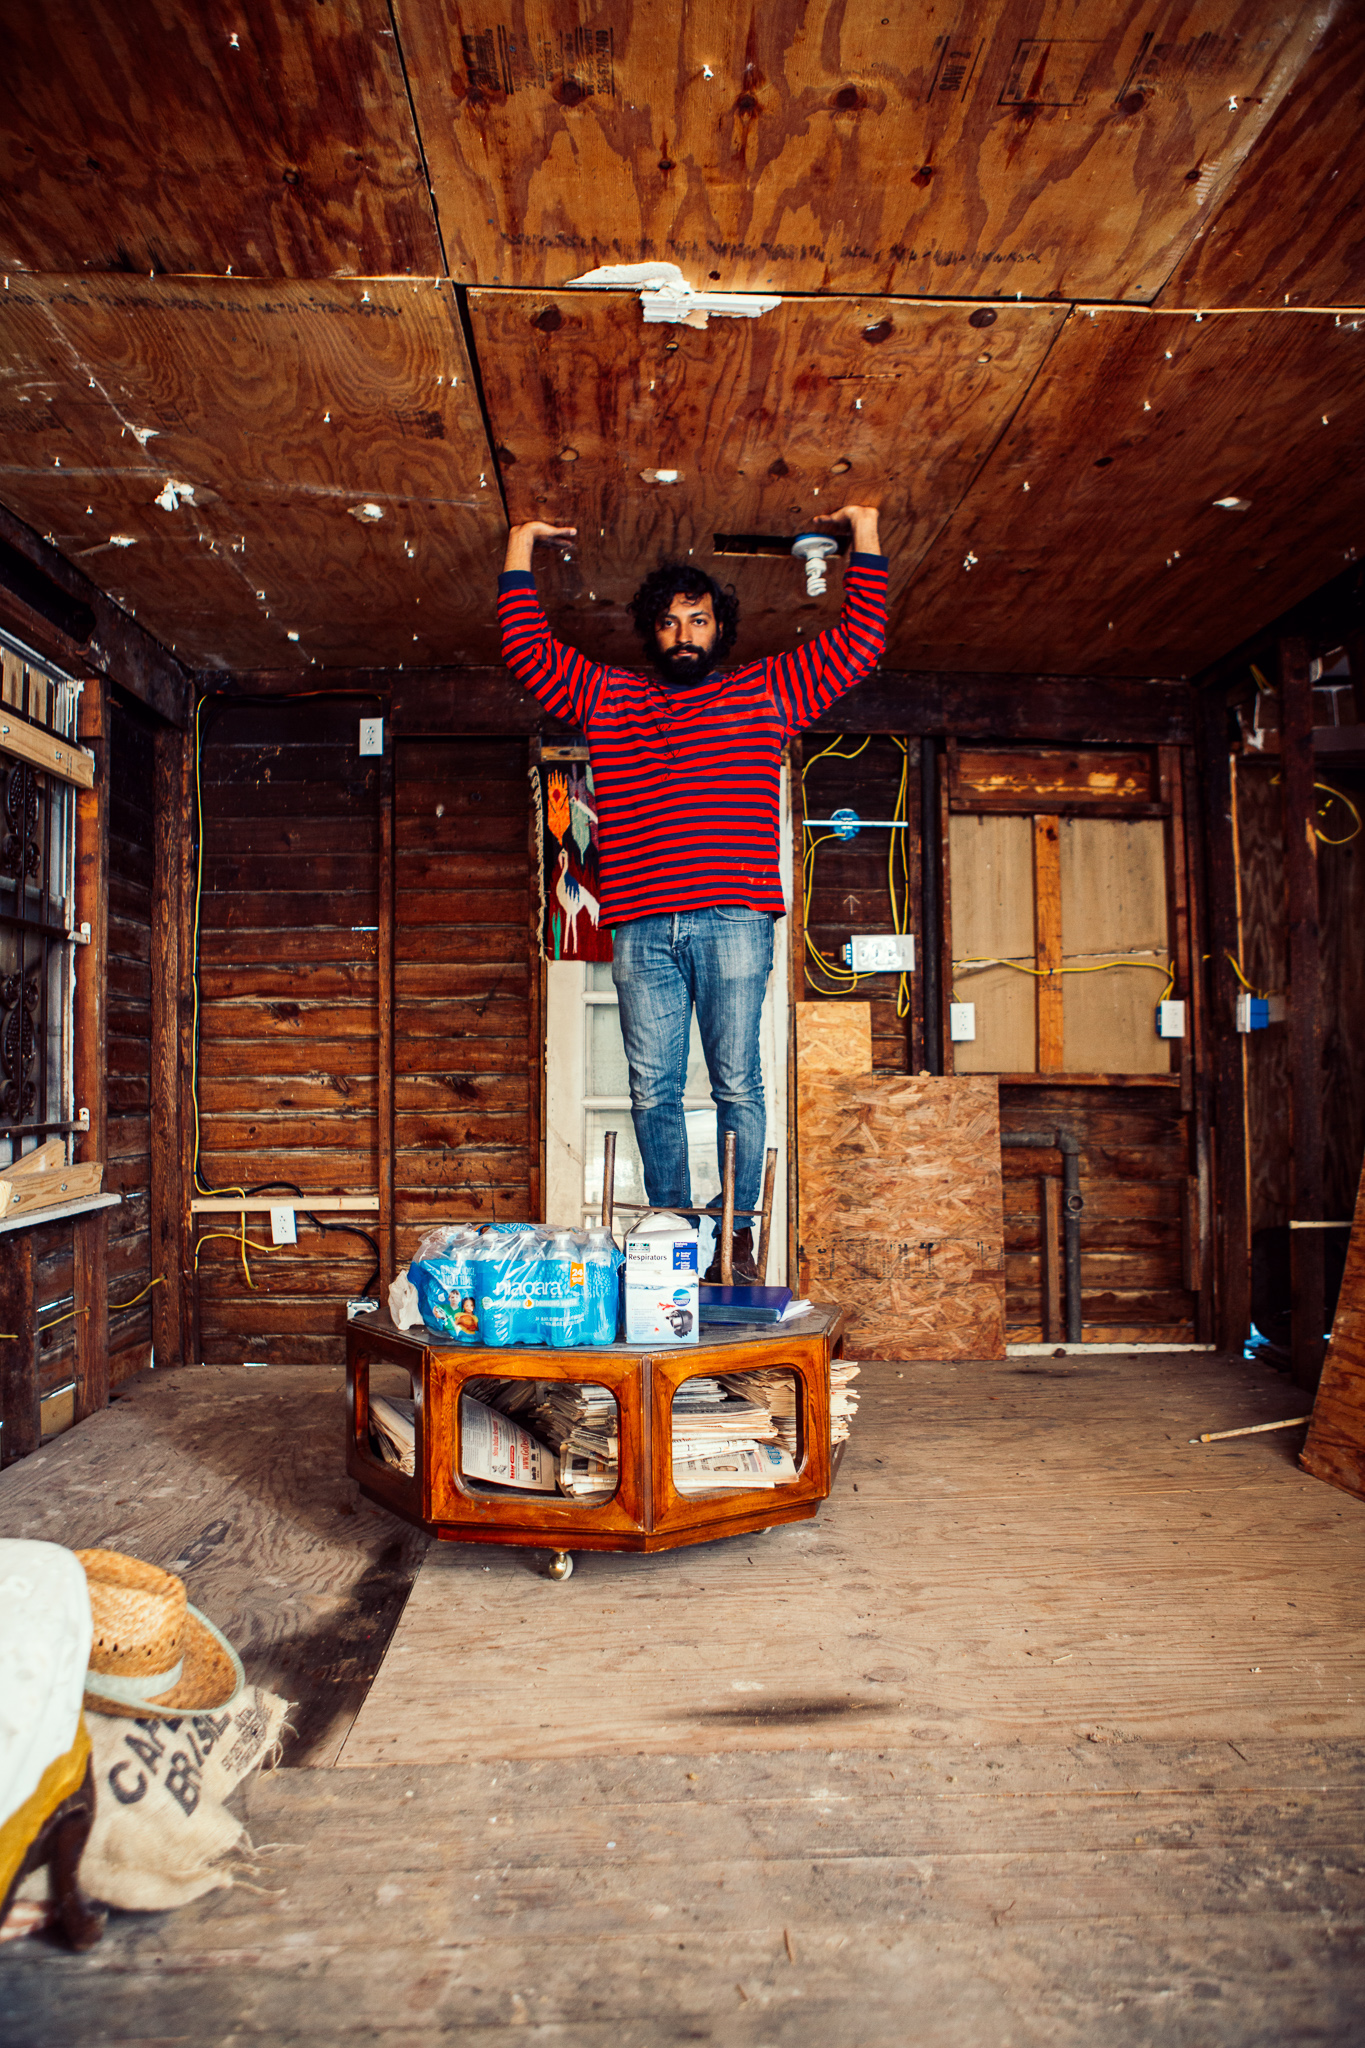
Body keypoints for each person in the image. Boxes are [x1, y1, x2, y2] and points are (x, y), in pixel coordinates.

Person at [499, 507, 886, 1280]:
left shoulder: (768, 691)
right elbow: (524, 647)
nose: (683, 633)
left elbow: (861, 639)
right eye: (670, 622)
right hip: (641, 925)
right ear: (652, 632)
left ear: (719, 630)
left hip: (735, 918)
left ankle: (736, 1237)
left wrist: (864, 532)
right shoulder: (606, 698)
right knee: (653, 1089)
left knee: (737, 1079)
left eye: (698, 620)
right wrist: (522, 543)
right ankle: (677, 1232)